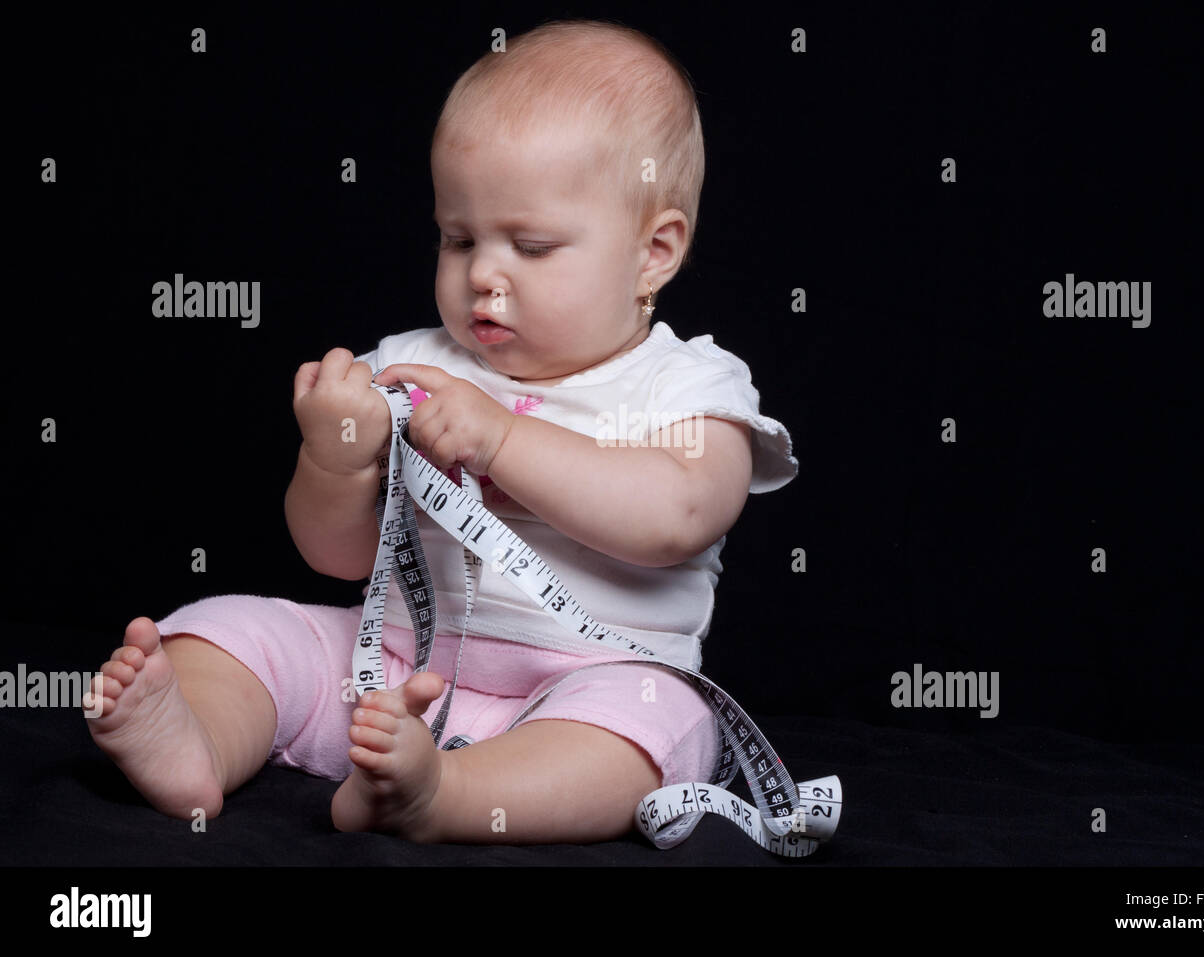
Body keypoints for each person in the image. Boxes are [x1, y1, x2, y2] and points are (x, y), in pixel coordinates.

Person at [84, 18, 797, 845]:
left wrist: (500, 441)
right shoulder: (418, 363)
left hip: (591, 683)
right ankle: (194, 735)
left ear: (654, 253)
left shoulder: (689, 383)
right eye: (458, 238)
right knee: (238, 626)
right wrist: (336, 458)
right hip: (393, 671)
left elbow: (679, 515)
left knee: (660, 726)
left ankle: (444, 792)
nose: (482, 275)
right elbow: (339, 557)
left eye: (530, 245)